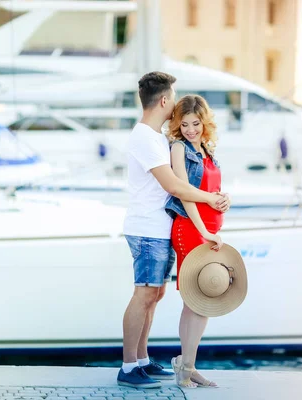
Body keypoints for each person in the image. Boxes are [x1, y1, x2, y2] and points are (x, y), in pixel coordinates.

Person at [119, 73, 230, 389]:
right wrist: (210, 197)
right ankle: (128, 367)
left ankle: (141, 360)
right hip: (146, 228)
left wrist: (217, 198)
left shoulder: (156, 137)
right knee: (143, 294)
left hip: (159, 228)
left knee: (154, 294)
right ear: (165, 100)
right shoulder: (144, 137)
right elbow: (173, 185)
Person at [165, 94, 226, 388]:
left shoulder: (207, 150)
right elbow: (184, 193)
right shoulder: (179, 148)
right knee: (195, 300)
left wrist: (225, 200)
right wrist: (204, 231)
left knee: (203, 302)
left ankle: (187, 364)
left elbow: (212, 192)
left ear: (205, 122)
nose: (191, 129)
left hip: (209, 230)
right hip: (191, 229)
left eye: (196, 123)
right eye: (185, 124)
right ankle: (186, 368)